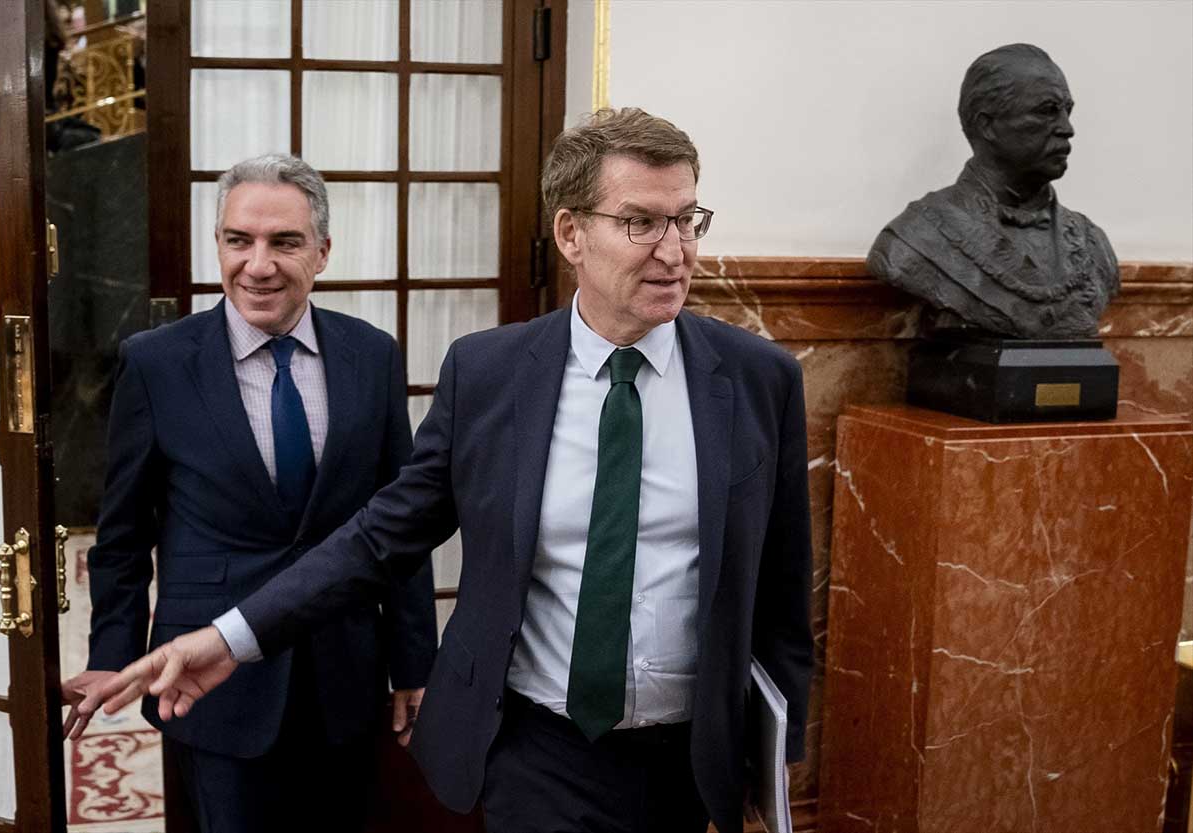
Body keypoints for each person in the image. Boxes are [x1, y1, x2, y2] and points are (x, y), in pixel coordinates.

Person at [90, 109, 813, 833]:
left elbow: (782, 591)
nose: (674, 250)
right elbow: (378, 538)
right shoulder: (489, 374)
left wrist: (780, 748)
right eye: (641, 222)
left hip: (687, 757)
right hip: (539, 747)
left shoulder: (758, 382)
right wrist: (229, 637)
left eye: (687, 220)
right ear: (571, 234)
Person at [61, 154, 437, 833]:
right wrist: (111, 656)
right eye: (239, 240)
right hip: (211, 682)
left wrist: (414, 661)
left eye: (284, 242)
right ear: (220, 245)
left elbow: (399, 525)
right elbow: (122, 536)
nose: (257, 264)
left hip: (344, 674)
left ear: (322, 251)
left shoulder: (373, 355)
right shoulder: (157, 362)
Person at [867, 43, 1119, 338]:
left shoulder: (1093, 245)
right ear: (987, 125)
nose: (1067, 127)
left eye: (1067, 111)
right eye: (1047, 111)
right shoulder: (914, 241)